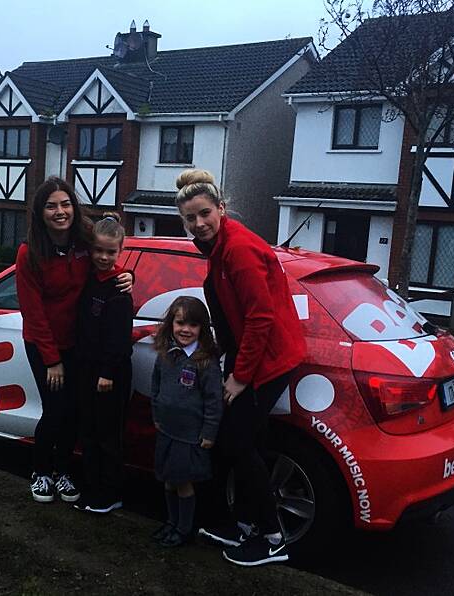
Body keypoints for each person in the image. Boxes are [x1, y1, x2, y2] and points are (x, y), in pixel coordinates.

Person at [175, 169, 307, 566]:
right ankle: (245, 524)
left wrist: (241, 376)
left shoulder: (238, 250)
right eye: (190, 219)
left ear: (221, 208)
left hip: (266, 361)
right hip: (252, 357)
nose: (198, 224)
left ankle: (271, 538)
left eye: (204, 214)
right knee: (247, 443)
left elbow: (260, 318)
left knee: (236, 443)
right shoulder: (218, 248)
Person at [16, 177, 133, 504]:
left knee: (74, 411)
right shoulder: (30, 253)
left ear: (74, 207)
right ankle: (41, 471)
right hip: (44, 345)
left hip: (80, 345)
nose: (59, 211)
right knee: (55, 410)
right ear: (40, 212)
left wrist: (127, 274)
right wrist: (52, 361)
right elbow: (33, 313)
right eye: (51, 205)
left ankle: (63, 471)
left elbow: (106, 257)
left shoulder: (84, 241)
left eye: (65, 204)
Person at [150, 296, 223, 547]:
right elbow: (156, 385)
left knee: (183, 483)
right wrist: (156, 415)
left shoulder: (205, 362)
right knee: (168, 480)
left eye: (193, 325)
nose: (185, 330)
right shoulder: (167, 354)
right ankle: (171, 522)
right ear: (171, 323)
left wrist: (209, 433)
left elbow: (214, 401)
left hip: (189, 436)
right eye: (180, 322)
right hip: (167, 431)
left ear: (202, 328)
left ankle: (184, 529)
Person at [73, 213, 133, 514]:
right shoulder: (87, 278)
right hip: (86, 368)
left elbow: (120, 337)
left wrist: (108, 372)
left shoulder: (119, 288)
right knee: (89, 432)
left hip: (109, 374)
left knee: (108, 436)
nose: (104, 257)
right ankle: (92, 488)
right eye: (98, 250)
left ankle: (110, 493)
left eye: (111, 252)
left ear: (120, 252)